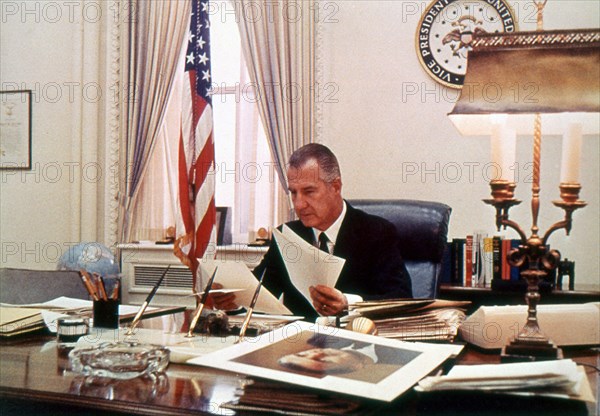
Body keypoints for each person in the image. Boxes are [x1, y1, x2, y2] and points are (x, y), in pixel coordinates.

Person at [213, 143, 412, 320]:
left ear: (336, 186)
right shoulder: (287, 235)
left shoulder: (377, 232)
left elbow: (402, 299)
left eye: (308, 192)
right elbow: (261, 292)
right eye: (293, 193)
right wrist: (232, 299)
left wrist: (348, 303)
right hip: (295, 349)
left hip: (355, 347)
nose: (299, 204)